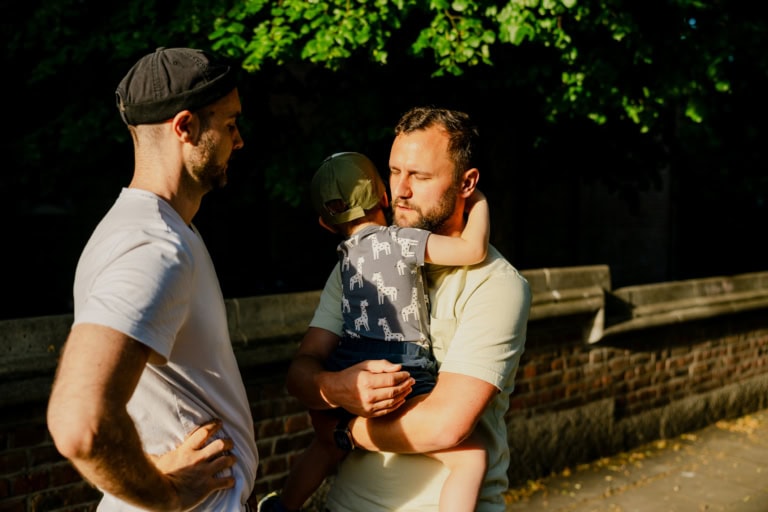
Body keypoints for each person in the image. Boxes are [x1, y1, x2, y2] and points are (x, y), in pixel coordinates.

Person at [282, 107, 531, 511]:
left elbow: (444, 424)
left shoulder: (496, 285)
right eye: (395, 172)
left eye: (420, 176)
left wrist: (341, 431)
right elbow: (300, 373)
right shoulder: (359, 264)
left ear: (467, 183)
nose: (401, 190)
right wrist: (335, 387)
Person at [46, 47, 259, 511]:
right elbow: (79, 423)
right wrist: (168, 493)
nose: (238, 141)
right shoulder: (154, 247)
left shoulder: (155, 229)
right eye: (228, 124)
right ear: (185, 127)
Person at [259, 152, 491, 512]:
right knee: (471, 456)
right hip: (401, 362)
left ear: (325, 224)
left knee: (325, 445)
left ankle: (283, 506)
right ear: (384, 198)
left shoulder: (345, 260)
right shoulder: (402, 240)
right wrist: (477, 202)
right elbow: (471, 250)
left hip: (350, 364)